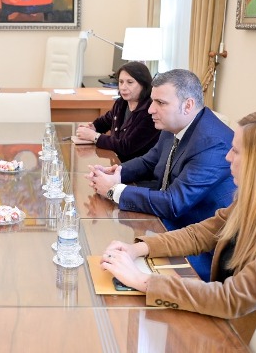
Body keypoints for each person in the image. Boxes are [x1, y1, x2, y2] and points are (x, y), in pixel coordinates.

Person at [99, 110, 256, 343]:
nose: (228, 157)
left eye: (236, 151)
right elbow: (203, 233)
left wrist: (142, 281)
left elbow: (233, 299)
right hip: (233, 321)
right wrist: (138, 249)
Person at [86, 69, 235, 279]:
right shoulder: (175, 125)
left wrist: (114, 190)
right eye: (152, 101)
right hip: (167, 226)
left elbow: (174, 203)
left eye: (160, 103)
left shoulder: (213, 144)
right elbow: (149, 161)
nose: (150, 110)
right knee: (106, 252)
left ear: (188, 105)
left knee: (113, 264)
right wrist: (117, 173)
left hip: (202, 245)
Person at [75, 61, 160, 161]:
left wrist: (95, 137)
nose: (123, 87)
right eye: (121, 82)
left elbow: (126, 146)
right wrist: (93, 127)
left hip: (134, 167)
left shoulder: (150, 111)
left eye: (130, 82)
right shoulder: (121, 103)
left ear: (143, 84)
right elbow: (106, 120)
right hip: (116, 161)